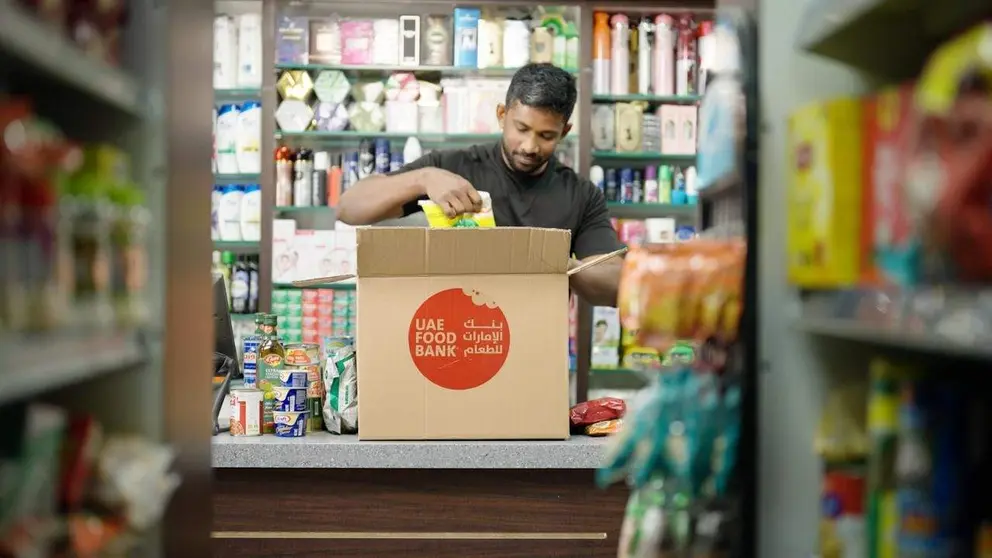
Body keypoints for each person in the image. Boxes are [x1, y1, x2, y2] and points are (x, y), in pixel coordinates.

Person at [337, 63, 623, 307]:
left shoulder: (582, 195)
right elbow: (349, 209)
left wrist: (560, 265)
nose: (529, 146)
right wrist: (422, 178)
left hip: (536, 349)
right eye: (521, 129)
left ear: (565, 132)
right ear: (502, 115)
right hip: (458, 341)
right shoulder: (452, 168)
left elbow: (616, 284)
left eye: (547, 135)